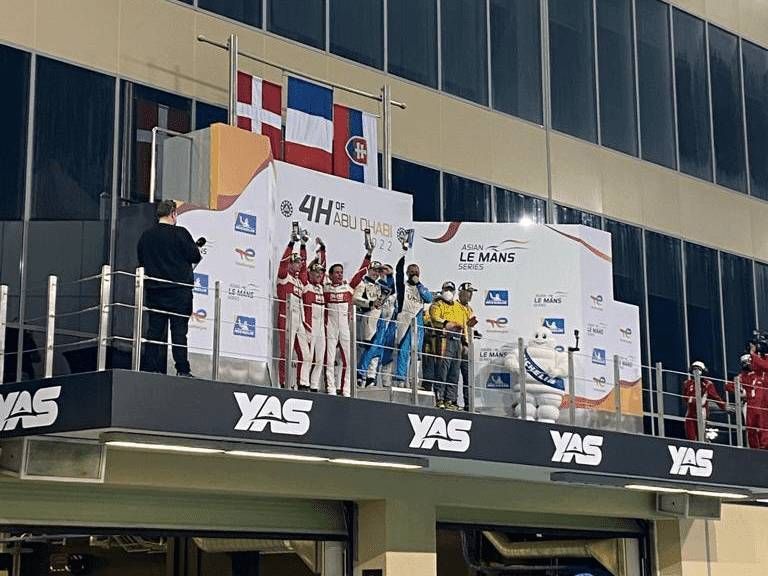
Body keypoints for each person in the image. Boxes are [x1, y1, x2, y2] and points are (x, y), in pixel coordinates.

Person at [137, 199, 202, 376]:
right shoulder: (180, 233)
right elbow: (195, 256)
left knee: (154, 332)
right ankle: (182, 370)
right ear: (173, 214)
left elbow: (142, 260)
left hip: (155, 291)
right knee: (179, 333)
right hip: (179, 292)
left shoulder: (146, 236)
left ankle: (149, 368)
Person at [324, 235, 373, 396]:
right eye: (336, 272)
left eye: (341, 272)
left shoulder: (348, 288)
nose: (339, 274)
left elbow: (360, 273)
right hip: (329, 327)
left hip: (344, 327)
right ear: (330, 275)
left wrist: (369, 255)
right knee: (329, 359)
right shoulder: (325, 288)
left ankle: (345, 390)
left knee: (348, 359)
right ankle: (330, 388)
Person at [392, 244, 432, 384]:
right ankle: (401, 379)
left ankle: (414, 381)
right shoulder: (404, 286)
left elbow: (429, 299)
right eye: (412, 272)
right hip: (405, 320)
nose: (414, 274)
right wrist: (402, 254)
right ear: (408, 273)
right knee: (403, 351)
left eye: (416, 272)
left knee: (417, 353)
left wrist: (419, 284)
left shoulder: (422, 288)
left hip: (418, 323)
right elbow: (398, 272)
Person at [276, 229, 308, 388]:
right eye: (295, 262)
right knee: (285, 354)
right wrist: (291, 242)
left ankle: (302, 384)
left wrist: (303, 245)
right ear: (290, 263)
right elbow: (282, 262)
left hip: (299, 319)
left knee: (306, 354)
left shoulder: (300, 282)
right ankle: (283, 383)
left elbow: (305, 267)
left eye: (299, 262)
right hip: (285, 317)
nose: (299, 264)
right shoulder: (284, 276)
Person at [429, 281, 467, 409]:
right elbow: (435, 318)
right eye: (446, 289)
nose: (448, 292)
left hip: (457, 341)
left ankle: (450, 400)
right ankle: (439, 398)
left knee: (454, 372)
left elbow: (464, 324)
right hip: (443, 339)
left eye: (451, 289)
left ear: (455, 291)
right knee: (442, 370)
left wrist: (465, 341)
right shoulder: (437, 304)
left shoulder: (458, 306)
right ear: (442, 290)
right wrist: (447, 324)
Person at [357, 269, 397, 387]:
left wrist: (390, 275)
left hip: (386, 323)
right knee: (371, 347)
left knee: (378, 351)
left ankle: (370, 378)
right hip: (375, 319)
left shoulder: (389, 289)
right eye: (381, 272)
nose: (382, 274)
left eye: (384, 272)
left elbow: (392, 289)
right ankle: (360, 373)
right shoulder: (373, 286)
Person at [299, 238, 326, 392]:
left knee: (320, 358)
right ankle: (304, 383)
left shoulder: (321, 288)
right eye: (316, 272)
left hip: (321, 326)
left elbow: (324, 264)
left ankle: (314, 385)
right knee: (307, 356)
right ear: (310, 272)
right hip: (310, 324)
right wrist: (303, 245)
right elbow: (303, 268)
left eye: (321, 273)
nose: (319, 275)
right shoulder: (306, 285)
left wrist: (323, 250)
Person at [727, 354, 768, 449]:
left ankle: (764, 445)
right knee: (751, 427)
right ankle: (755, 447)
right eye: (744, 362)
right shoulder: (741, 376)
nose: (747, 364)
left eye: (748, 361)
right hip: (749, 403)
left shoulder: (760, 373)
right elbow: (728, 386)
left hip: (761, 403)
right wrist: (740, 391)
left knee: (763, 424)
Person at [353, 261, 384, 385]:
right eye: (374, 270)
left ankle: (371, 376)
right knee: (367, 347)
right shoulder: (362, 284)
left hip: (378, 318)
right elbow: (355, 299)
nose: (376, 273)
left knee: (376, 348)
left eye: (378, 271)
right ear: (368, 270)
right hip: (366, 318)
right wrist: (370, 304)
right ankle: (360, 375)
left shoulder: (379, 286)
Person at [682, 361, 725, 441]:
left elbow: (716, 397)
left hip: (702, 411)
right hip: (690, 412)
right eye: (694, 369)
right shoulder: (687, 383)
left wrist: (724, 407)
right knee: (690, 436)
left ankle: (705, 444)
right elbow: (685, 397)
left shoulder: (708, 384)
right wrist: (691, 400)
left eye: (698, 369)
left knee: (700, 436)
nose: (696, 371)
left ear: (703, 371)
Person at [456, 282, 479, 411]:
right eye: (468, 292)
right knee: (452, 375)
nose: (470, 295)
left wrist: (474, 332)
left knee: (467, 377)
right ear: (462, 292)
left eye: (472, 293)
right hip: (456, 344)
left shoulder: (469, 309)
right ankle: (452, 401)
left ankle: (468, 404)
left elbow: (467, 326)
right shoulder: (454, 306)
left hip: (467, 345)